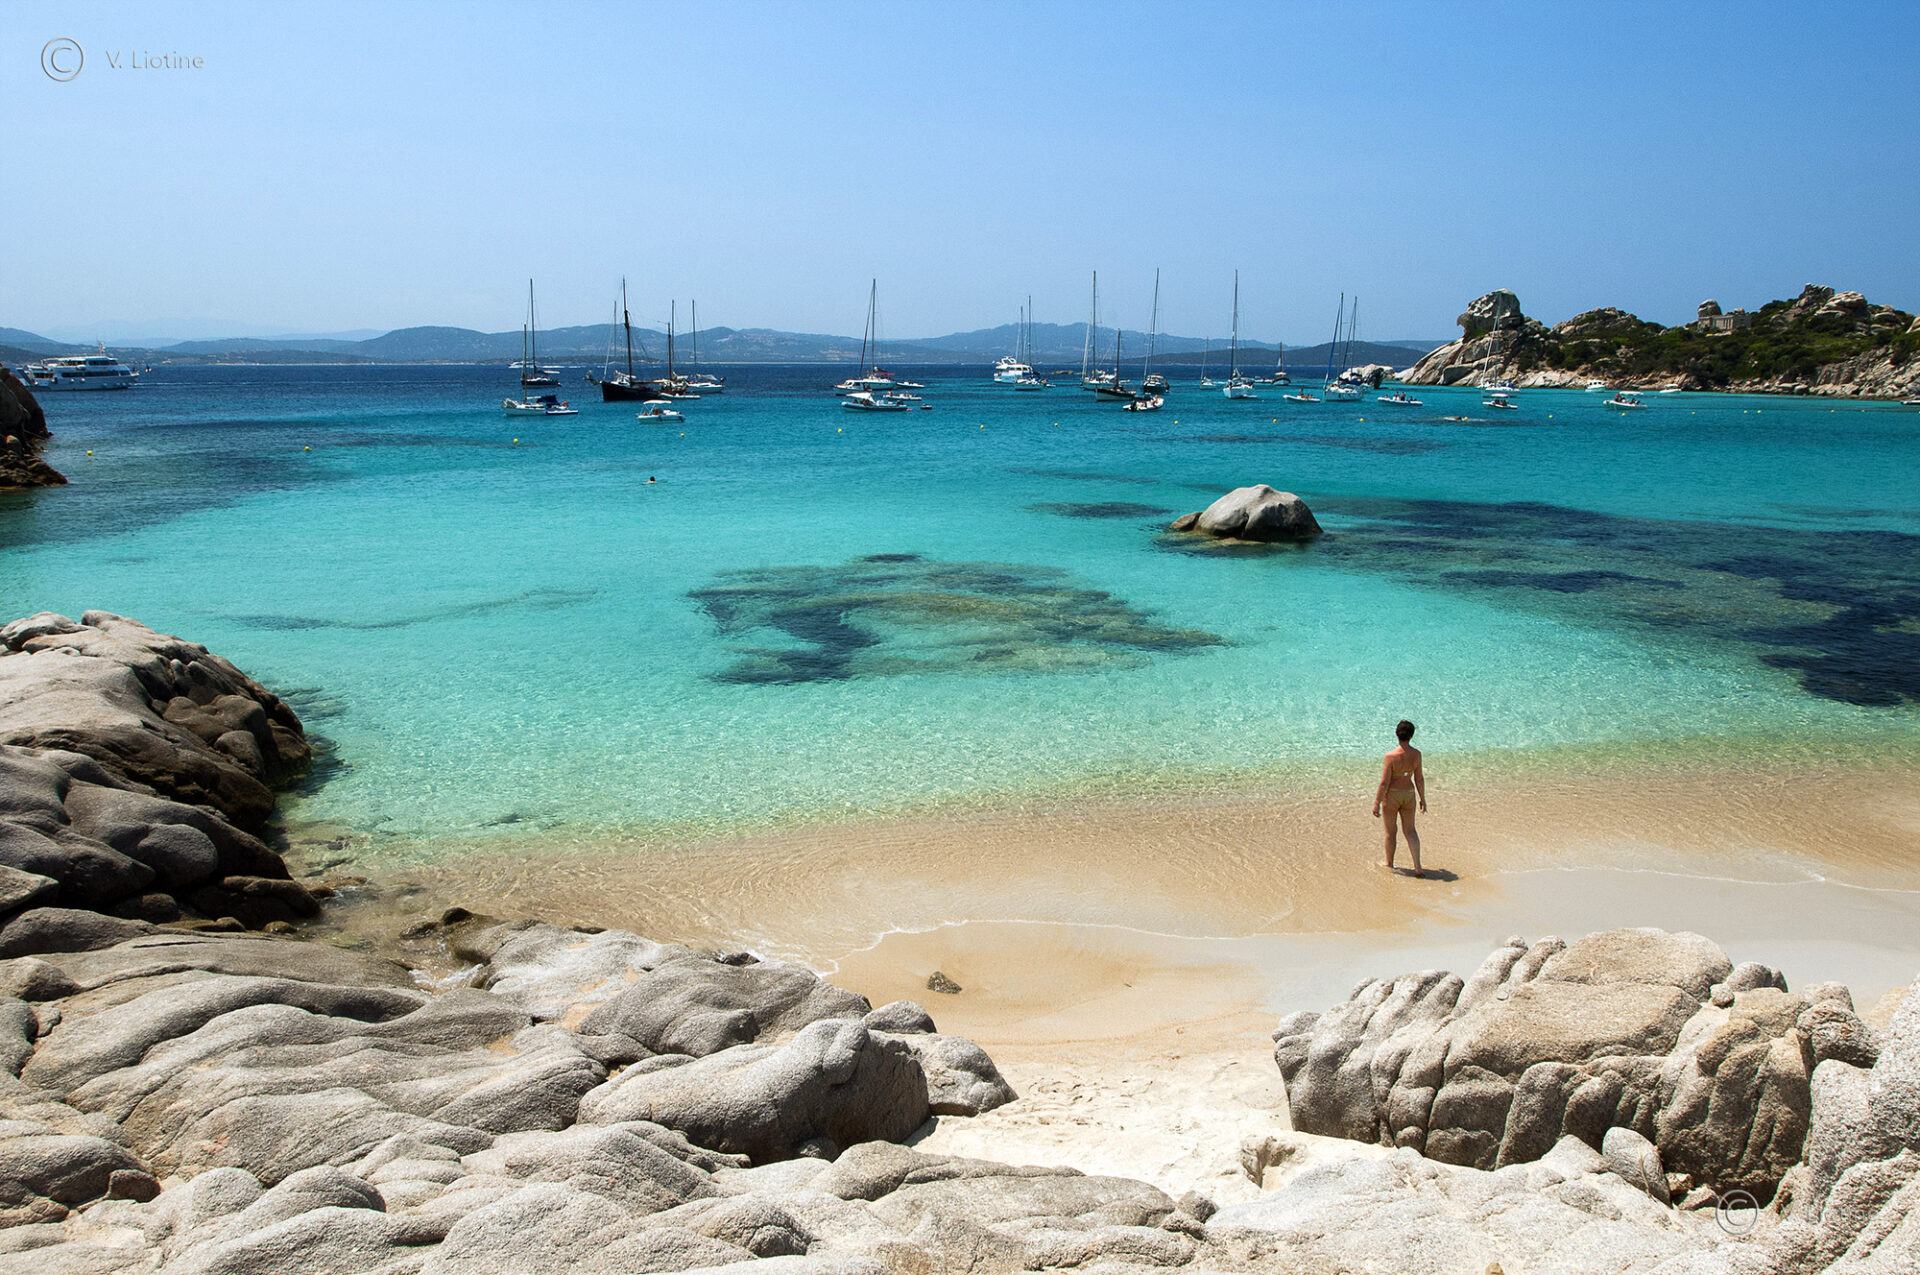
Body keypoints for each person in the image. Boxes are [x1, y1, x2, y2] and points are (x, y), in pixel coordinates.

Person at [1372, 719, 1426, 877]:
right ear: (1411, 736)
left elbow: (1384, 782)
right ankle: (1418, 866)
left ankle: (1389, 863)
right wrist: (1423, 798)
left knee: (1391, 832)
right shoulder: (1416, 754)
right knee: (1410, 831)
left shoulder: (1391, 756)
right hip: (1409, 794)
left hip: (1392, 795)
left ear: (1397, 734)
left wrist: (1376, 803)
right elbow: (1419, 779)